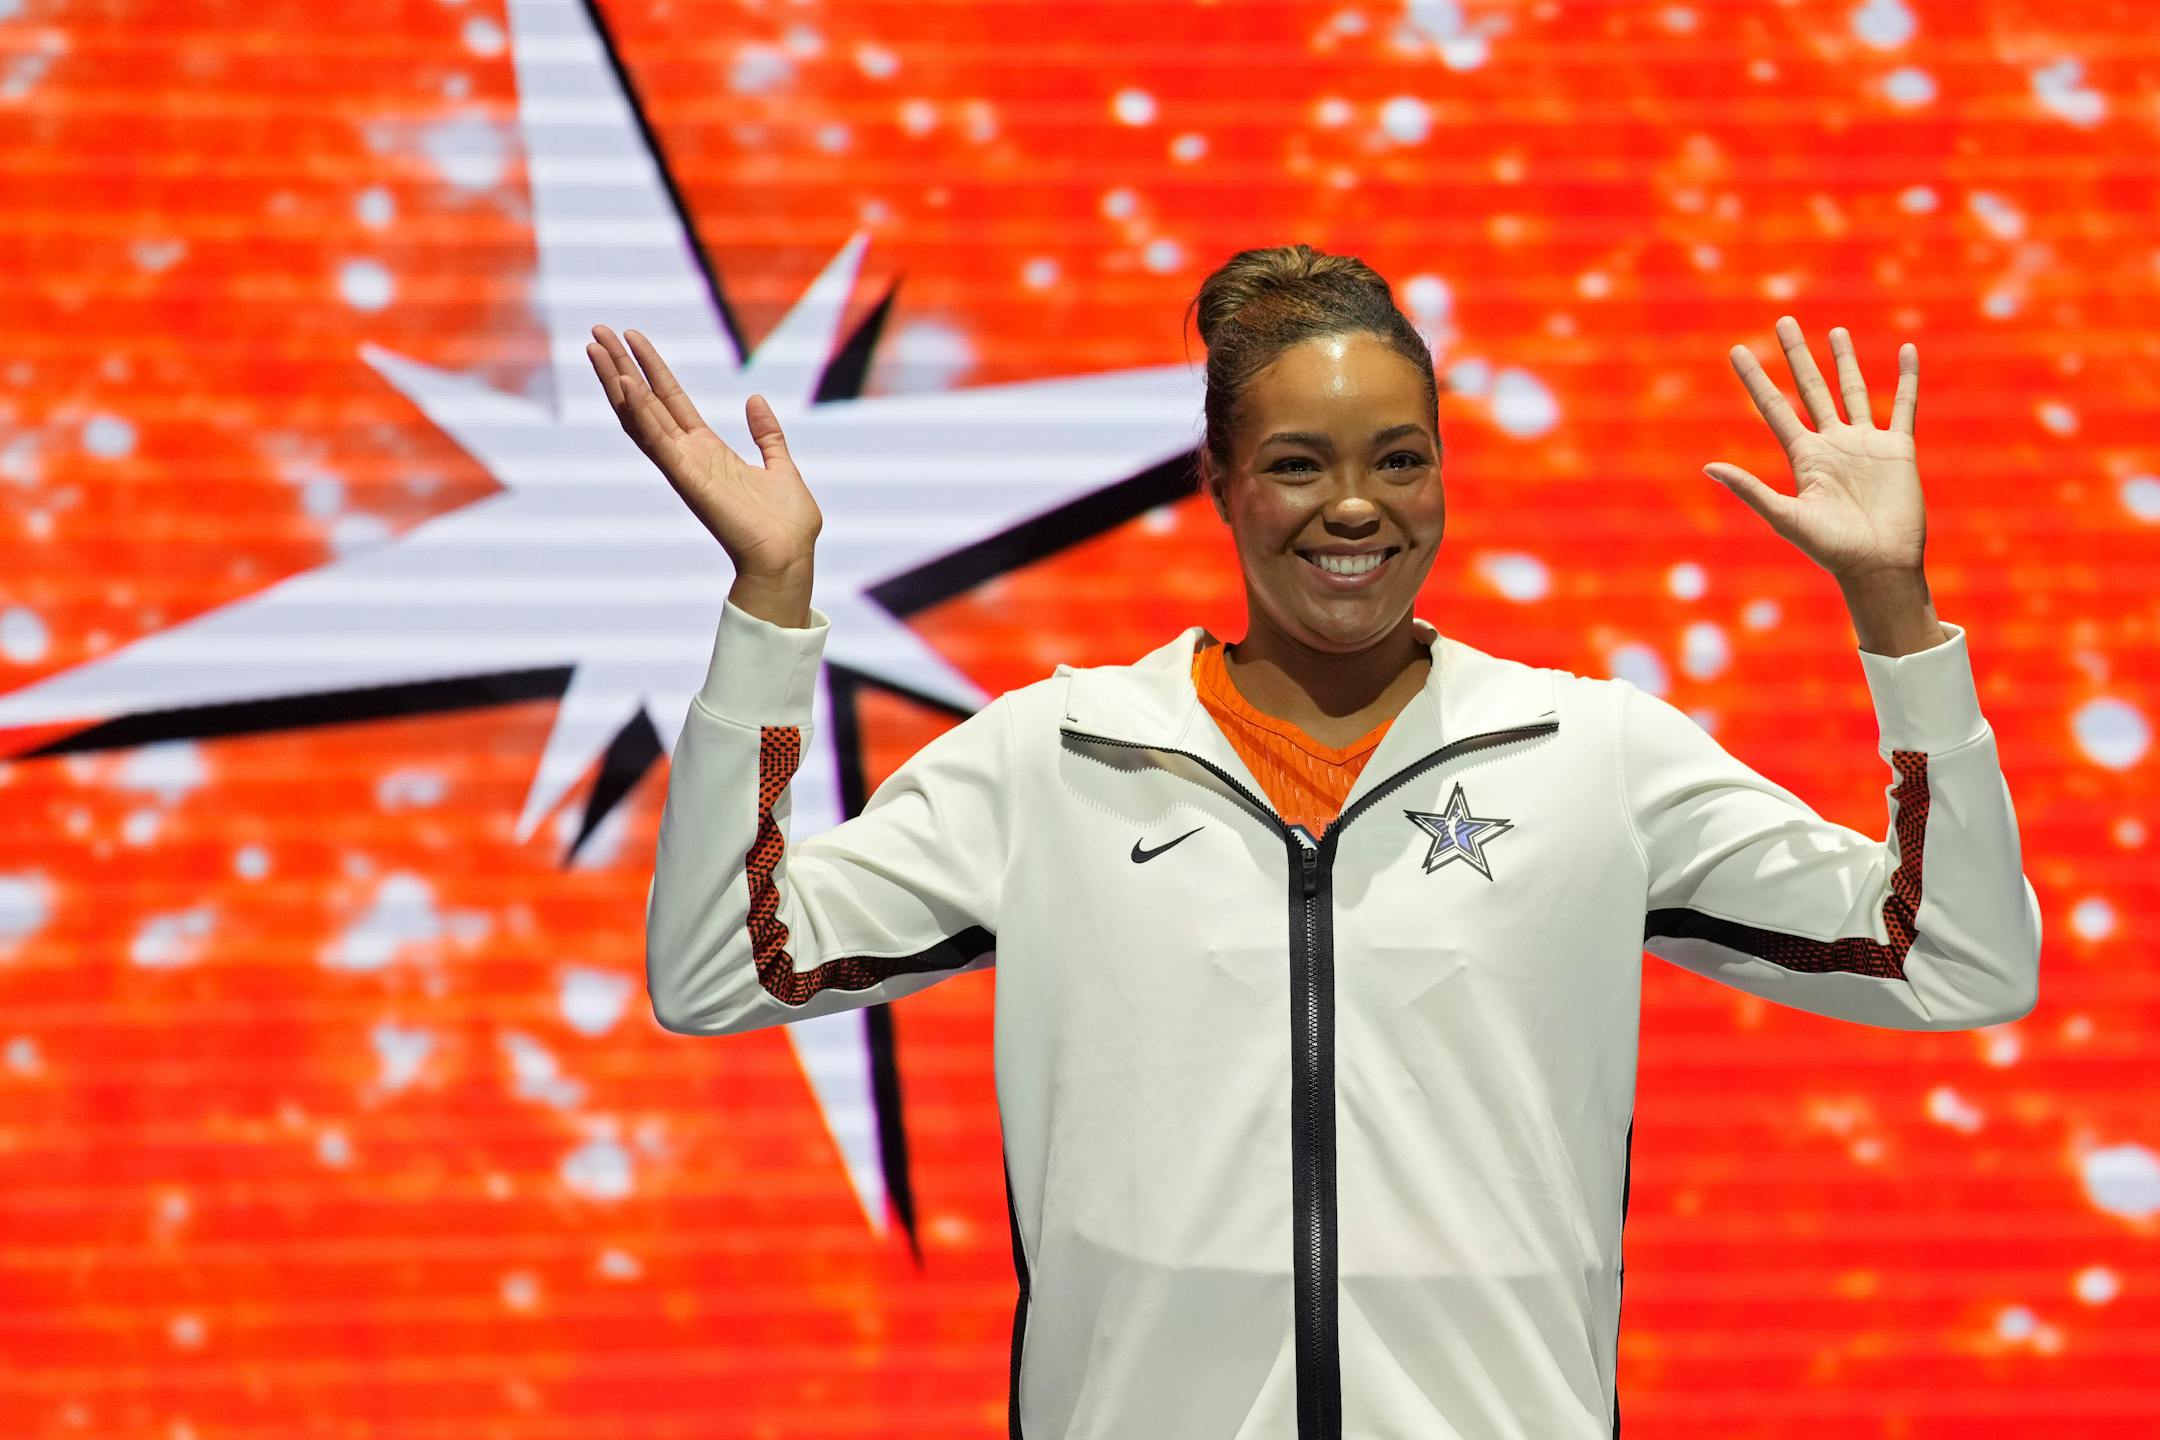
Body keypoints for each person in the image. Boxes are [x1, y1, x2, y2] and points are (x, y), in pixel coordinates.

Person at [587, 244, 2042, 1440]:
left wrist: (1895, 611)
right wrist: (774, 601)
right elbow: (724, 965)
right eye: (1297, 462)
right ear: (1217, 482)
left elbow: (1957, 959)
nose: (1356, 506)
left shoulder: (1591, 752)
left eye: (1399, 458)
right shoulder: (1058, 753)